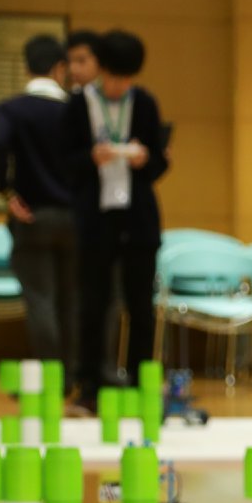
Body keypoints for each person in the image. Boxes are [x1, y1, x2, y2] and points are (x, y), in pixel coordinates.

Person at [61, 30, 167, 411]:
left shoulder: (145, 102)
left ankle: (141, 385)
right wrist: (92, 157)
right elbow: (64, 163)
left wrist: (144, 159)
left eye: (127, 77)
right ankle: (90, 385)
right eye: (114, 76)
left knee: (141, 304)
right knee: (93, 302)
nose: (120, 85)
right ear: (102, 70)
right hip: (95, 217)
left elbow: (160, 160)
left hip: (138, 218)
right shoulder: (77, 105)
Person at [0, 35, 75, 367]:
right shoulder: (72, 111)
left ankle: (49, 378)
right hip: (74, 218)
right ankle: (72, 376)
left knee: (41, 300)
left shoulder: (12, 109)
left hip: (31, 217)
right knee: (72, 300)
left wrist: (6, 190)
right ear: (59, 68)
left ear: (26, 66)